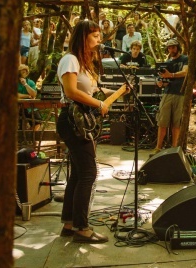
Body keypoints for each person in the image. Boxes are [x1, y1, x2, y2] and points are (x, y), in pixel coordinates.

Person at [56, 19, 129, 244]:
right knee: (88, 173)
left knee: (79, 173)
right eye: (95, 36)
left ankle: (69, 223)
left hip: (80, 121)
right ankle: (82, 228)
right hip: (72, 121)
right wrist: (99, 104)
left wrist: (118, 91)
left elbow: (93, 91)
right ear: (83, 37)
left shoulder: (84, 64)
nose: (99, 40)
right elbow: (71, 91)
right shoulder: (70, 60)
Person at [153, 38, 188, 153]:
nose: (171, 50)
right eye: (169, 48)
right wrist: (160, 81)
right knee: (162, 121)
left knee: (176, 123)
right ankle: (158, 147)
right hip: (168, 93)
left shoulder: (185, 59)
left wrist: (171, 75)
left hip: (181, 93)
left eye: (173, 47)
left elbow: (185, 72)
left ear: (178, 48)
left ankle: (174, 149)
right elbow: (162, 77)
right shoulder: (167, 62)